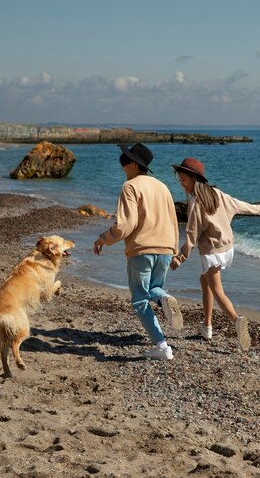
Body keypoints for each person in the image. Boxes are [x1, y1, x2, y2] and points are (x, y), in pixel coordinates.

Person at [170, 157, 260, 351]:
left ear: (194, 178)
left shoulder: (196, 201)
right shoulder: (217, 194)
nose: (181, 184)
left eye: (183, 180)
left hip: (211, 252)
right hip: (227, 249)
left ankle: (237, 321)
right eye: (180, 180)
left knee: (217, 290)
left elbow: (192, 234)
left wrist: (180, 258)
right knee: (205, 281)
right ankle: (207, 326)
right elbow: (239, 205)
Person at [94, 143, 183, 361]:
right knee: (154, 288)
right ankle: (165, 299)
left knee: (140, 300)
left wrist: (103, 239)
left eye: (124, 162)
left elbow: (126, 225)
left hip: (141, 250)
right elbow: (174, 221)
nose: (123, 166)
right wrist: (175, 250)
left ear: (133, 164)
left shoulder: (130, 187)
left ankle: (162, 346)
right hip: (165, 248)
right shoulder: (163, 187)